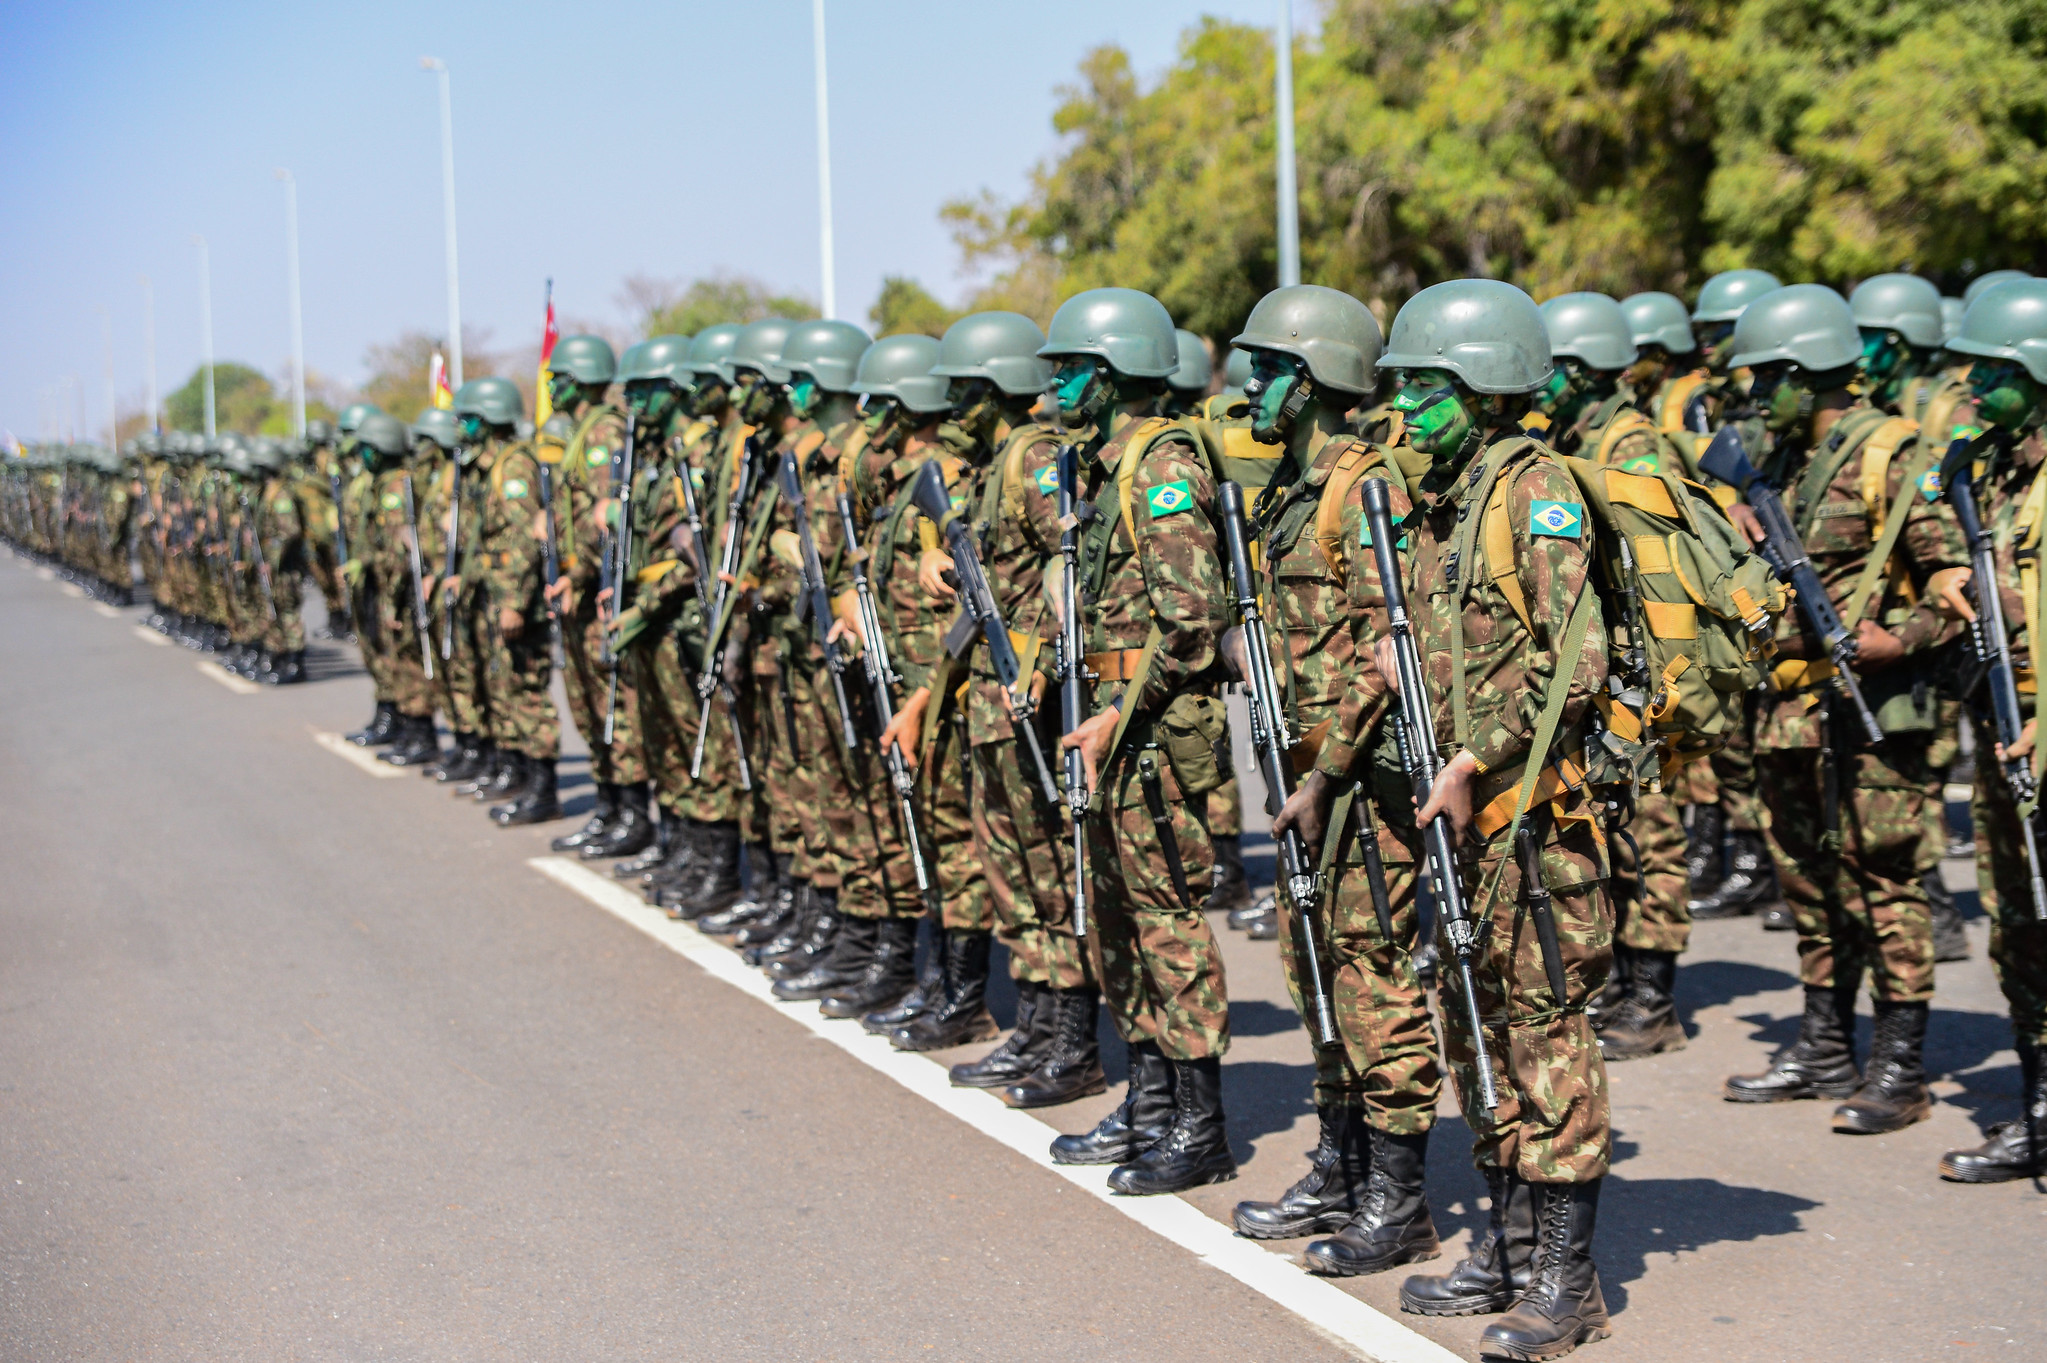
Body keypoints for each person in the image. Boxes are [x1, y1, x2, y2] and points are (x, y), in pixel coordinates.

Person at [1219, 284, 1443, 1275]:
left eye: (1267, 368)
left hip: (1365, 783)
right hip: (1307, 774)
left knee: (1371, 978)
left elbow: (1383, 652)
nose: (1251, 385)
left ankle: (1398, 1199)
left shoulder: (1365, 489)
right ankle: (1339, 1165)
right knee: (1316, 975)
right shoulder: (1287, 492)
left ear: (1312, 380)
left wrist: (1333, 767)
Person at [1718, 284, 1969, 1136]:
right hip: (1789, 711)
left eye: (1764, 380)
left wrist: (1896, 640)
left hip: (1874, 710)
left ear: (1802, 373)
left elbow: (1955, 587)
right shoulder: (1783, 460)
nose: (1754, 398)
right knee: (1807, 880)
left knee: (1884, 882)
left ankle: (1897, 1067)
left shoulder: (1891, 454)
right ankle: (1824, 1042)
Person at [1040, 287, 1237, 1196]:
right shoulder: (1100, 464)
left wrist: (1120, 712)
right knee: (1117, 921)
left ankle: (1198, 1121)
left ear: (1113, 370)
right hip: (1109, 723)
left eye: (1069, 366)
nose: (1053, 384)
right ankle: (1149, 1098)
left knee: (1166, 925)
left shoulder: (1159, 465)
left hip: (1153, 734)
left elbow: (1191, 619)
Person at [1934, 278, 2047, 1182]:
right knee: (2018, 924)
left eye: (1990, 368)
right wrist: (1946, 581)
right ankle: (2039, 1106)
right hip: (2000, 728)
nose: (1969, 381)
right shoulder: (1986, 464)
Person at [544, 335, 654, 861]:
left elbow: (601, 521)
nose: (552, 388)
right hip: (580, 589)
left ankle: (631, 814)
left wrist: (579, 573)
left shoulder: (602, 432)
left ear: (582, 380)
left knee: (613, 706)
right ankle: (609, 808)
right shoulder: (579, 432)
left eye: (559, 378)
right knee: (588, 707)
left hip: (598, 589)